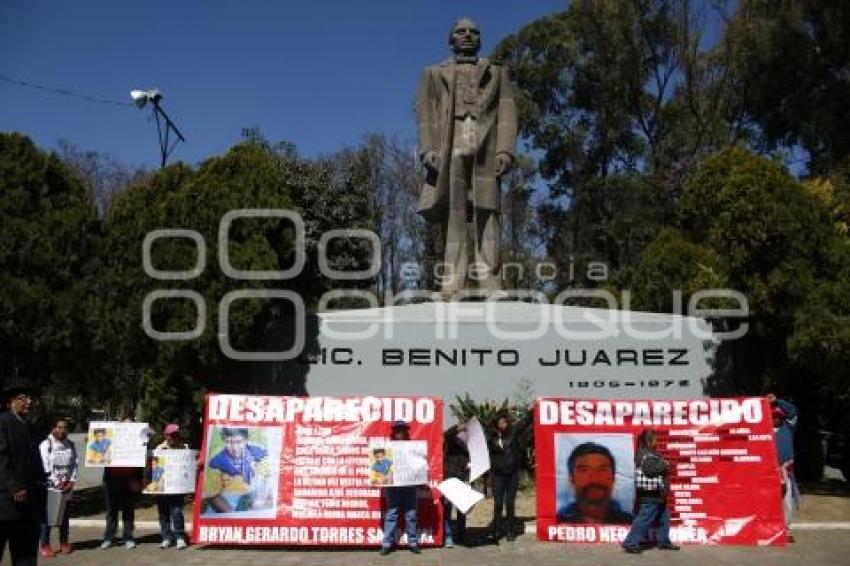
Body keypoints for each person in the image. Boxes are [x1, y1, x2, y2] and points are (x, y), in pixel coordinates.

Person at [415, 18, 518, 295]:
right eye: (461, 31)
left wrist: (505, 150)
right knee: (454, 212)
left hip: (486, 145)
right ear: (451, 38)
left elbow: (508, 113)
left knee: (489, 211)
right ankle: (453, 277)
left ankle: (490, 279)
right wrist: (428, 149)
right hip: (450, 144)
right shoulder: (433, 73)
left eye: (474, 32)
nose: (468, 35)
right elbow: (425, 113)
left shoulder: (497, 73)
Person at [0, 385, 47, 566]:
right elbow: (2, 460)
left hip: (28, 503)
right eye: (23, 398)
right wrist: (15, 487)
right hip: (6, 503)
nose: (28, 402)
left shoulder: (27, 425)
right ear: (11, 402)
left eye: (29, 398)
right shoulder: (4, 422)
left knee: (25, 554)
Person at [623, 429, 679, 554]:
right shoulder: (645, 454)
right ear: (650, 440)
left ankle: (664, 542)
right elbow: (650, 471)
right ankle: (630, 542)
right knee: (644, 518)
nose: (657, 441)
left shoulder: (645, 453)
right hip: (651, 494)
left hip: (657, 493)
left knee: (664, 518)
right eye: (655, 438)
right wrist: (664, 464)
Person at [556, 442, 633, 524]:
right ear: (571, 479)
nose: (594, 477)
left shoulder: (631, 523)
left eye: (602, 470)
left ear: (613, 478)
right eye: (584, 470)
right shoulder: (558, 521)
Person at [486, 409, 532, 541]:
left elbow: (524, 422)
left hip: (512, 475)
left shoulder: (513, 433)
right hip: (497, 476)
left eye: (505, 422)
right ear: (496, 424)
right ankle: (496, 530)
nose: (503, 424)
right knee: (498, 504)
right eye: (500, 422)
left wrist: (531, 411)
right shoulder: (491, 438)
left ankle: (511, 531)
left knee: (510, 504)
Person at [100, 414, 144, 550]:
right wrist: (90, 442)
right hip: (111, 480)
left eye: (130, 424)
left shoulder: (138, 442)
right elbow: (99, 452)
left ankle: (128, 537)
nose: (127, 427)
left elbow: (141, 461)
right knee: (111, 511)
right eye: (125, 424)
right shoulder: (110, 439)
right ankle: (109, 537)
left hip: (130, 479)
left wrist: (138, 480)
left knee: (128, 510)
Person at [204, 427, 272, 513]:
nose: (234, 448)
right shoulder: (215, 462)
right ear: (224, 441)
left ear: (246, 440)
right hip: (227, 502)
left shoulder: (259, 452)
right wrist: (234, 516)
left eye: (239, 442)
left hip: (254, 499)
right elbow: (212, 496)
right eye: (229, 442)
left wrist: (259, 502)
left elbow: (268, 480)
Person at [38, 418, 78, 557]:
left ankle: (64, 542)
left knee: (64, 516)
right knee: (48, 517)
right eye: (59, 427)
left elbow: (74, 464)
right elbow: (45, 466)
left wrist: (71, 480)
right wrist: (56, 482)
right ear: (53, 428)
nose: (62, 430)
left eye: (65, 427)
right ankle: (45, 545)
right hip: (51, 486)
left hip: (67, 486)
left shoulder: (71, 445)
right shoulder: (45, 444)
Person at [380, 420, 421, 556]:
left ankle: (413, 543)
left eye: (402, 430)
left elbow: (419, 465)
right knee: (391, 514)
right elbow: (382, 467)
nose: (400, 432)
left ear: (406, 432)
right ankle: (387, 544)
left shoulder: (413, 447)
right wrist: (380, 477)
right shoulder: (387, 448)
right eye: (398, 430)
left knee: (411, 515)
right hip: (394, 486)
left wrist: (422, 474)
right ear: (394, 432)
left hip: (410, 485)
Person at [154, 424, 189, 549]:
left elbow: (188, 467)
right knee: (163, 513)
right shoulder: (159, 449)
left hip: (178, 487)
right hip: (162, 487)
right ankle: (166, 537)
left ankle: (180, 537)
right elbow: (155, 468)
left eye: (176, 434)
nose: (174, 437)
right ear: (166, 435)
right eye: (171, 435)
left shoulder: (184, 448)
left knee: (177, 512)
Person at [772, 405, 798, 542]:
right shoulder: (764, 429)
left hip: (786, 471)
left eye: (779, 416)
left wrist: (776, 401)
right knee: (769, 501)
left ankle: (786, 531)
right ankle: (770, 530)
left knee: (787, 502)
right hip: (769, 472)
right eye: (773, 416)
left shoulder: (788, 428)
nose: (776, 418)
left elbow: (793, 412)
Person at [443, 423, 470, 547]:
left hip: (462, 480)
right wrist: (457, 427)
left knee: (461, 509)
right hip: (448, 478)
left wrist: (467, 479)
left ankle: (462, 534)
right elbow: (447, 434)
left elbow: (469, 465)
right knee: (447, 510)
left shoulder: (468, 447)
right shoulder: (450, 440)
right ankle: (448, 536)